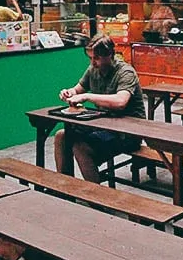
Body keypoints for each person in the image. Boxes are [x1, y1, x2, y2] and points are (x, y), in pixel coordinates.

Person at [54, 34, 144, 183]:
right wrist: (69, 93)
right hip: (104, 125)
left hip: (128, 131)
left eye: (96, 58)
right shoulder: (93, 69)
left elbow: (121, 101)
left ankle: (96, 198)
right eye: (90, 58)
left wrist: (88, 97)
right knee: (62, 136)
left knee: (80, 146)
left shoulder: (126, 72)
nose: (92, 62)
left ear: (109, 55)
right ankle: (65, 187)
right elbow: (78, 89)